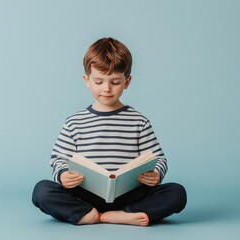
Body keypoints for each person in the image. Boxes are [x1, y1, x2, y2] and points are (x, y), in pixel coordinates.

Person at [32, 37, 187, 226]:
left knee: (177, 193)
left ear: (127, 81)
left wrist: (156, 174)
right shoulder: (74, 122)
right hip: (86, 195)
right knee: (42, 191)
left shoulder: (138, 121)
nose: (106, 89)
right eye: (99, 81)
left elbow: (159, 159)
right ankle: (86, 214)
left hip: (129, 196)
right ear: (87, 80)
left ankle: (124, 214)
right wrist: (64, 175)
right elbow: (58, 158)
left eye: (115, 82)